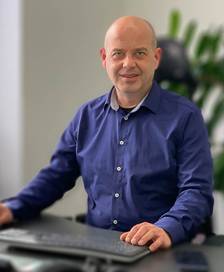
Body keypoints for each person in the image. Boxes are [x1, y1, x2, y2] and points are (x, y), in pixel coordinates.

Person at [0, 16, 213, 253]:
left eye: (140, 53)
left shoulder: (185, 117)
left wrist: (166, 228)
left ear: (156, 58)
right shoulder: (87, 116)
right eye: (118, 53)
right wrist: (13, 207)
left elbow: (196, 192)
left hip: (157, 251)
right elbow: (56, 175)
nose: (128, 63)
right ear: (104, 58)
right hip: (97, 249)